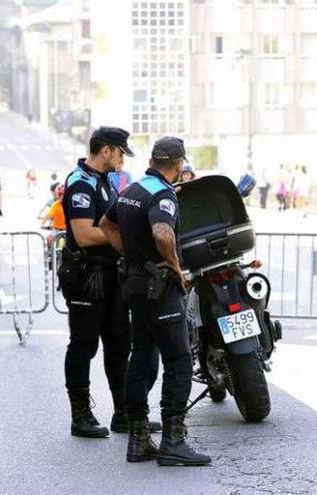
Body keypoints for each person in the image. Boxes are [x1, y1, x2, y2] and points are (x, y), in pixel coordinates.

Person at [100, 136, 210, 466]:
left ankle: (139, 440)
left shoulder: (132, 190)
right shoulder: (163, 194)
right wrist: (177, 270)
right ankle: (173, 442)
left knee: (141, 355)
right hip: (159, 289)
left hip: (134, 285)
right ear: (178, 166)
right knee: (177, 360)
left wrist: (133, 256)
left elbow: (106, 224)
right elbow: (163, 234)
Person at [60, 127, 144, 439]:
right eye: (120, 151)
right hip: (85, 276)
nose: (122, 158)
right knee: (83, 345)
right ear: (105, 150)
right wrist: (123, 237)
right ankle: (80, 416)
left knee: (119, 342)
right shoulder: (80, 182)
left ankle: (123, 413)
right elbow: (83, 233)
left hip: (110, 275)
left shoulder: (105, 181)